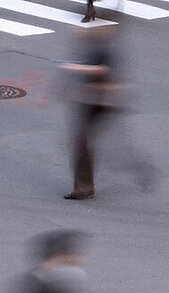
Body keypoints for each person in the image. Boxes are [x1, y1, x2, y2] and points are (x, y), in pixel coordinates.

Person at [60, 22, 152, 200]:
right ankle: (86, 185)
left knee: (84, 143)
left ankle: (84, 187)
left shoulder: (100, 48)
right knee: (91, 142)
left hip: (97, 103)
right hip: (97, 102)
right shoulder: (98, 46)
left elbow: (100, 69)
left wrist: (73, 67)